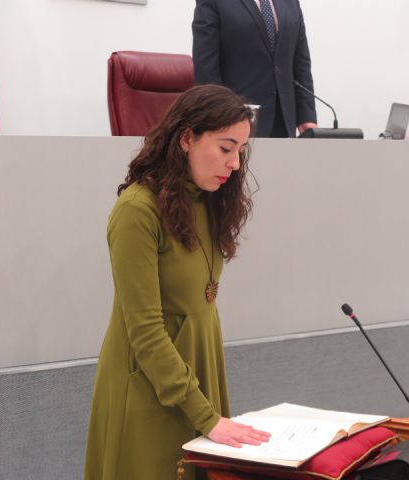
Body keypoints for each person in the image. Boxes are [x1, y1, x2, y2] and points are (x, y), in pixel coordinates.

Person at [84, 85, 271, 480]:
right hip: (149, 393)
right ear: (186, 138)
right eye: (225, 148)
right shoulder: (136, 210)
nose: (235, 163)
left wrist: (209, 407)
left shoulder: (206, 201)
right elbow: (146, 331)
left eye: (240, 150)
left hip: (198, 382)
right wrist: (204, 414)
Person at [192, 0, 318, 138]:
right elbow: (206, 65)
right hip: (235, 118)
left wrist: (307, 115)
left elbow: (301, 62)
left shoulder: (291, 2)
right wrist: (217, 114)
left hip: (283, 121)